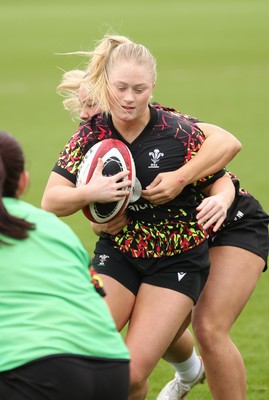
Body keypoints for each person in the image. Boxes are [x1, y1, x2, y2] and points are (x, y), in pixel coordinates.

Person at [42, 34, 240, 400]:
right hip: (118, 254)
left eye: (139, 88)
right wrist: (91, 193)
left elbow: (222, 180)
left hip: (176, 261)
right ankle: (188, 371)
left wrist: (220, 200)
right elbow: (51, 201)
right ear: (106, 86)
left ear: (153, 87)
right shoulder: (92, 133)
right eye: (120, 88)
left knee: (130, 376)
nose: (130, 98)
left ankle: (184, 372)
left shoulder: (179, 133)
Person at [0, 130, 130, 400]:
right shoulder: (53, 226)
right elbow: (93, 292)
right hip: (110, 367)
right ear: (23, 182)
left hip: (33, 372)